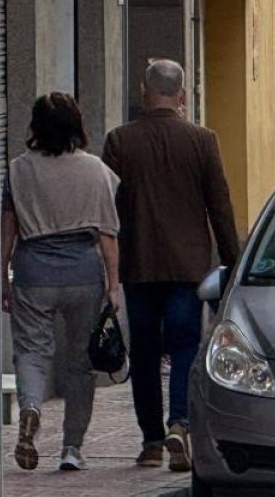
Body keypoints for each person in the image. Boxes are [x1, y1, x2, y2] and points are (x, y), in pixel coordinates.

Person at [103, 60, 242, 473]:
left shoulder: (119, 141)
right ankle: (179, 423)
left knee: (144, 352)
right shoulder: (202, 141)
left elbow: (107, 209)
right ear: (182, 96)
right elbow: (219, 205)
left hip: (138, 263)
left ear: (144, 94)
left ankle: (149, 442)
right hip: (188, 268)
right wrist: (234, 263)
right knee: (184, 347)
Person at [1, 94, 121, 472]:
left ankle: (32, 408)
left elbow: (8, 229)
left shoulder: (19, 170)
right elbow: (107, 235)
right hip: (83, 271)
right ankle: (72, 448)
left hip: (33, 269)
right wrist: (113, 285)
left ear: (35, 127)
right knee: (80, 363)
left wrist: (2, 275)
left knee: (32, 352)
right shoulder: (96, 170)